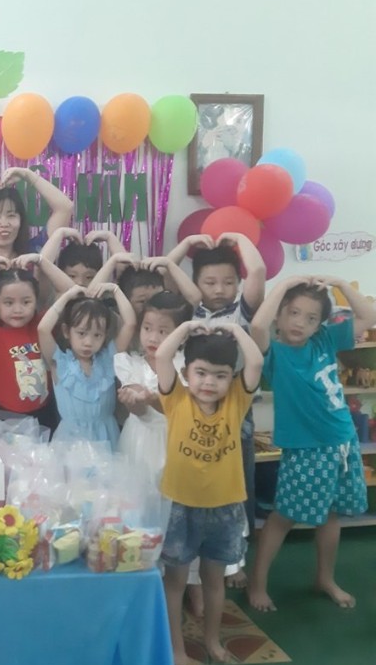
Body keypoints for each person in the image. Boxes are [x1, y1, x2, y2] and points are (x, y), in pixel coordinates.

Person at [247, 276, 376, 612]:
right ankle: (257, 584)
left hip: (343, 441)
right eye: (293, 312)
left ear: (320, 324)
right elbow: (258, 325)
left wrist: (341, 285)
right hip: (307, 448)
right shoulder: (274, 353)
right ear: (279, 314)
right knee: (283, 516)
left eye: (310, 318)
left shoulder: (324, 339)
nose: (300, 323)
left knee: (330, 514)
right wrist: (286, 284)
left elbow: (369, 316)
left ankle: (325, 578)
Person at [155, 321, 263, 665]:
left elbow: (256, 361)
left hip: (225, 508)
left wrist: (234, 330)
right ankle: (176, 648)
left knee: (214, 581)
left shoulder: (236, 402)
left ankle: (213, 641)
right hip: (181, 507)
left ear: (231, 378)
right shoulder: (175, 399)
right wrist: (187, 326)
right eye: (200, 373)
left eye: (220, 375)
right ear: (186, 373)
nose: (209, 382)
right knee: (175, 582)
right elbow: (162, 356)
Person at [170, 232, 266, 588]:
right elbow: (167, 272)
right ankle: (192, 565)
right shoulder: (190, 312)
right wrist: (187, 245)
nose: (219, 289)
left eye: (228, 281)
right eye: (209, 282)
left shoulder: (241, 311)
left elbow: (258, 272)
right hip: (192, 411)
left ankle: (234, 560)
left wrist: (239, 238)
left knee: (238, 487)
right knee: (197, 485)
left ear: (238, 283)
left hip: (236, 409)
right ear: (196, 283)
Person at [0, 256, 59, 432]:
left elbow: (68, 291)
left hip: (45, 413)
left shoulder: (43, 326)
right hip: (4, 415)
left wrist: (40, 260)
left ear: (36, 302)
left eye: (26, 302)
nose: (18, 309)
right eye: (8, 303)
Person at [39, 282, 136, 448]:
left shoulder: (108, 359)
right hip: (70, 442)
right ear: (66, 331)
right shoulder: (59, 362)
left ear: (105, 335)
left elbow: (130, 324)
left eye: (97, 335)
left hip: (107, 437)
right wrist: (67, 296)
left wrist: (115, 289)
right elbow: (43, 329)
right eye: (81, 333)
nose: (88, 342)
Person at [115, 291, 193, 481]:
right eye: (147, 328)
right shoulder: (131, 364)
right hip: (138, 439)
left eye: (162, 332)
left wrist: (155, 401)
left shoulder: (186, 368)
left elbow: (180, 409)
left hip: (174, 439)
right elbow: (140, 410)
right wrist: (134, 404)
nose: (152, 338)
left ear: (182, 336)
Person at [40, 228, 126, 288]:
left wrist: (109, 237)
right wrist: (59, 233)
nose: (80, 283)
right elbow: (42, 267)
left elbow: (127, 274)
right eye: (72, 276)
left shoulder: (106, 298)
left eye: (89, 277)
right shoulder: (52, 298)